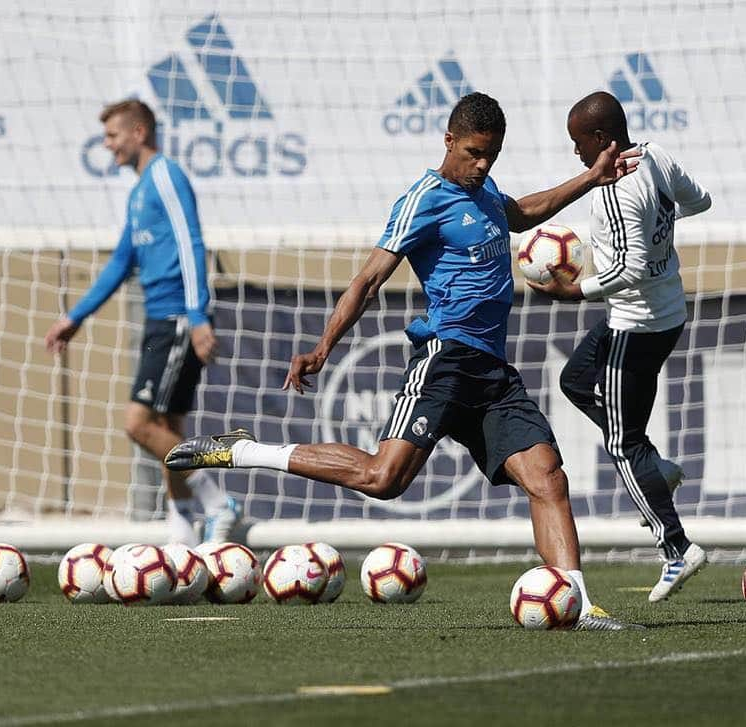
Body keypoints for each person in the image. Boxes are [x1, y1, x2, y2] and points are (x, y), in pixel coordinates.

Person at [166, 92, 639, 629]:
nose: (482, 164)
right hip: (445, 360)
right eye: (473, 152)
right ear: (448, 141)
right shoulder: (424, 198)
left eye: (492, 155)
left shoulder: (482, 192)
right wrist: (324, 347)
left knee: (548, 478)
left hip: (492, 372)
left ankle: (577, 604)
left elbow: (524, 212)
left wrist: (590, 178)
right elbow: (368, 280)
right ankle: (247, 451)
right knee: (383, 478)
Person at [527, 91, 712, 603]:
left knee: (621, 445)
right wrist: (661, 229)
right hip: (669, 311)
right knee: (574, 380)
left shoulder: (613, 189)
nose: (577, 153)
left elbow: (628, 270)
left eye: (579, 142)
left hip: (635, 325)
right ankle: (658, 470)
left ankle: (676, 547)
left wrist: (574, 291)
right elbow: (700, 201)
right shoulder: (655, 156)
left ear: (602, 139)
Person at [44, 99, 240, 547]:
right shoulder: (136, 194)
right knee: (168, 431)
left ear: (138, 132)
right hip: (160, 319)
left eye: (113, 135)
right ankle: (184, 536)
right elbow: (120, 263)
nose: (108, 145)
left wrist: (195, 315)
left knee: (138, 424)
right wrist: (75, 317)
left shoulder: (165, 176)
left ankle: (216, 503)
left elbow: (192, 241)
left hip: (175, 317)